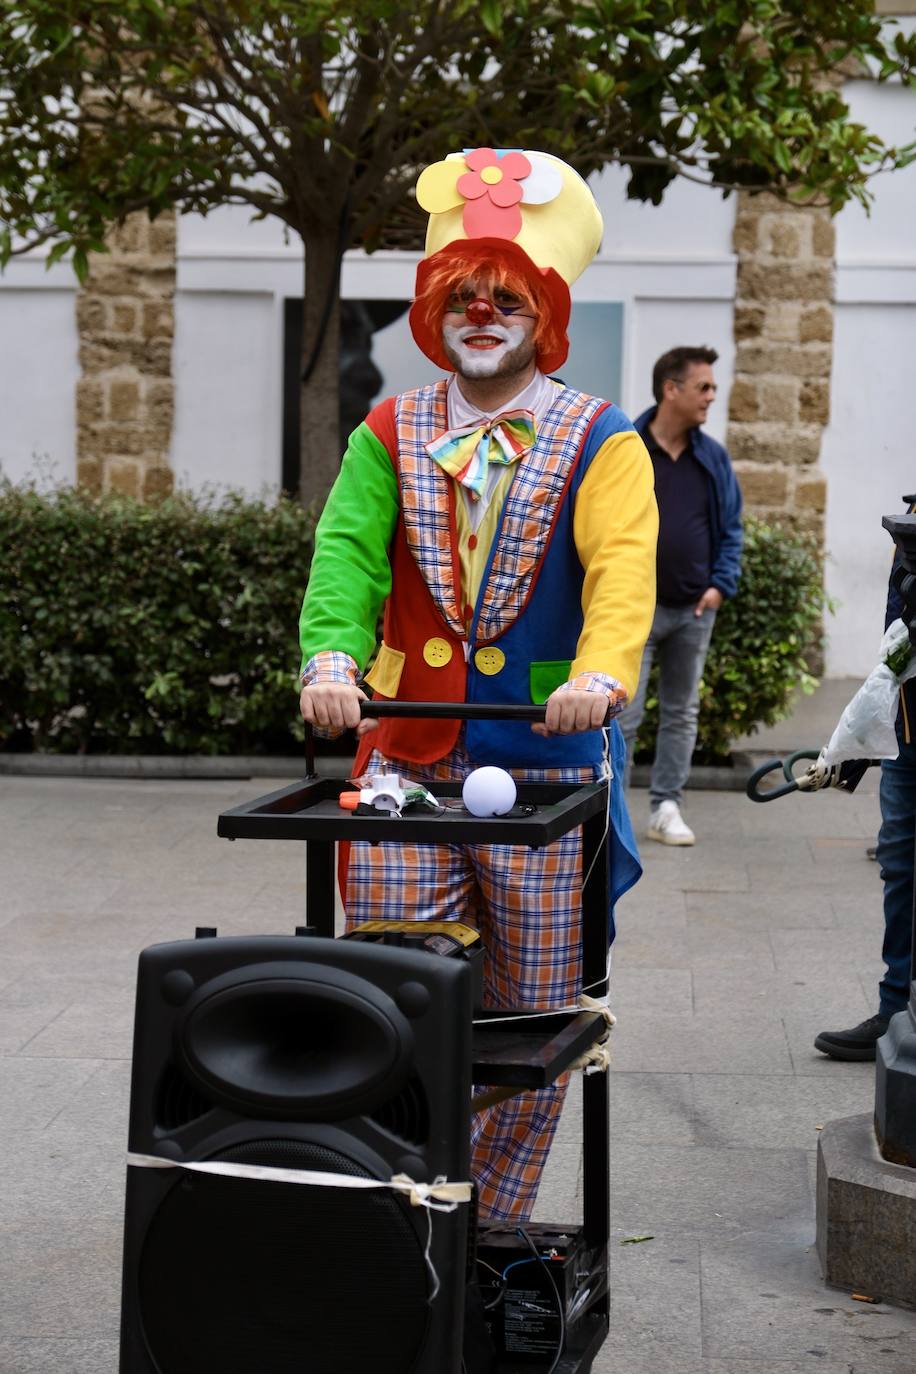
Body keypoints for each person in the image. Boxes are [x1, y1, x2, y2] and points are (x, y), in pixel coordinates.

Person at [298, 147, 658, 1221]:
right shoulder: (388, 429)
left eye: (506, 298)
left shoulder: (602, 436)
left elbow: (622, 568)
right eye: (464, 295)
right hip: (405, 759)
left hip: (543, 762)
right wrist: (331, 661)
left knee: (532, 1019)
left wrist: (601, 671)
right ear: (434, 310)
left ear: (544, 314)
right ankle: (396, 1215)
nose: (483, 314)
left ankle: (485, 1226)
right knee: (394, 997)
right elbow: (346, 557)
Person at [618, 346, 743, 846]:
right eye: (703, 386)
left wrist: (719, 586)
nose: (712, 396)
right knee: (622, 715)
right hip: (635, 610)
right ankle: (611, 813)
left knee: (681, 712)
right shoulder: (625, 448)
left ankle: (666, 808)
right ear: (671, 390)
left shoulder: (712, 457)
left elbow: (731, 529)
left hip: (694, 610)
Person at [816, 522, 916, 1060]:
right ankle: (894, 1012)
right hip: (909, 726)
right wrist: (862, 738)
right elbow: (894, 636)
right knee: (899, 863)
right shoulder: (911, 523)